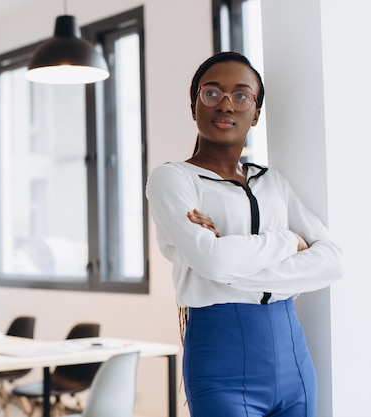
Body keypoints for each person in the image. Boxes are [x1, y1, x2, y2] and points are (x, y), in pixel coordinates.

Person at [145, 51, 344, 417]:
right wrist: (287, 241)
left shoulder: (273, 182)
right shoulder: (173, 179)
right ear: (194, 107)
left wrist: (228, 263)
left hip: (293, 358)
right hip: (221, 361)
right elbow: (212, 261)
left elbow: (332, 262)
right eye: (211, 93)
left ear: (255, 114)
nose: (226, 104)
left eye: (241, 96)